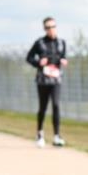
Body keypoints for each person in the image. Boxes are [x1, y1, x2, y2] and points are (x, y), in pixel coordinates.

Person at [26, 16, 67, 147]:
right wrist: (38, 62)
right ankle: (39, 134)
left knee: (56, 105)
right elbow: (29, 58)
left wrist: (63, 61)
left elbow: (63, 57)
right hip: (43, 79)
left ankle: (56, 136)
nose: (51, 29)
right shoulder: (39, 43)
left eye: (53, 26)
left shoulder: (61, 42)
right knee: (43, 107)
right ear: (44, 28)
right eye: (48, 27)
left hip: (56, 78)